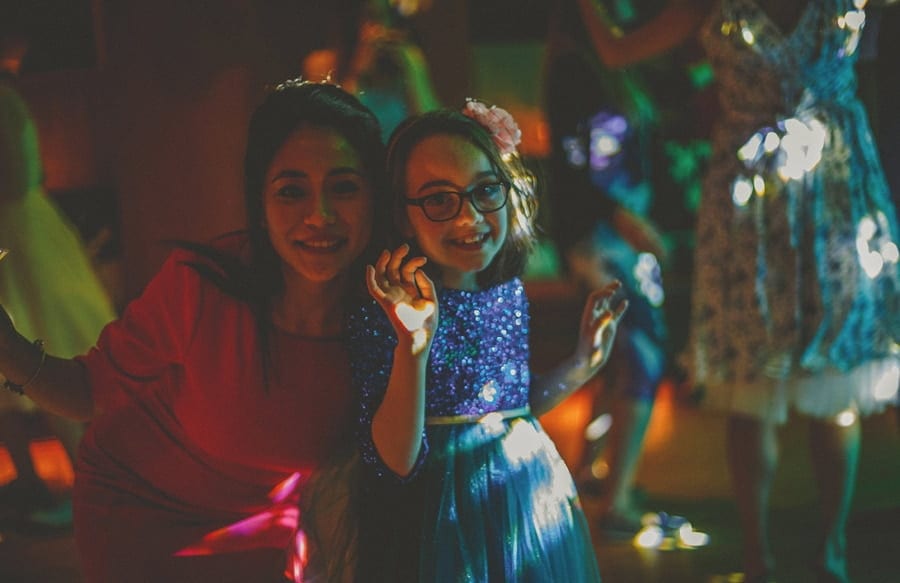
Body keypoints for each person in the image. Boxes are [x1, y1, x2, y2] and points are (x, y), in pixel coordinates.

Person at [0, 80, 388, 582]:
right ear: (259, 202)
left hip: (277, 525)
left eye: (344, 187)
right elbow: (87, 391)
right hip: (141, 515)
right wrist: (7, 347)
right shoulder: (205, 284)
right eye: (292, 190)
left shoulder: (389, 307)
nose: (320, 216)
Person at [349, 101, 627, 581]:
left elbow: (515, 409)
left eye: (484, 190)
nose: (468, 218)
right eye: (438, 199)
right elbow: (395, 460)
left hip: (522, 499)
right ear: (402, 214)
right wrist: (412, 348)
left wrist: (582, 362)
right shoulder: (385, 311)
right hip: (435, 523)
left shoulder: (507, 291)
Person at [680, 0, 899, 581]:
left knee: (837, 386)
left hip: (836, 200)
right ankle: (757, 556)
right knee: (752, 386)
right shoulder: (709, 7)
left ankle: (832, 550)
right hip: (747, 210)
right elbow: (618, 51)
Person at [542, 0, 710, 537]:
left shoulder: (627, 72)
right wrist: (624, 218)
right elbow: (570, 167)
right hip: (599, 235)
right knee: (641, 350)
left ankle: (585, 471)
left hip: (627, 234)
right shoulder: (572, 69)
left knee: (615, 352)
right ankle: (617, 502)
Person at [0, 24, 116, 529]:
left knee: (39, 348)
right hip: (28, 224)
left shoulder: (6, 100)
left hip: (19, 229)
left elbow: (15, 174)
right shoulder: (10, 99)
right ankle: (37, 479)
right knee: (30, 350)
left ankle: (69, 480)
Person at [301, 0, 440, 141]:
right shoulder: (321, 64)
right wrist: (357, 73)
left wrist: (412, 73)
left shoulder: (409, 60)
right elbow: (328, 132)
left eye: (381, 17)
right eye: (367, 17)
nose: (375, 30)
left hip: (393, 161)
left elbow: (432, 128)